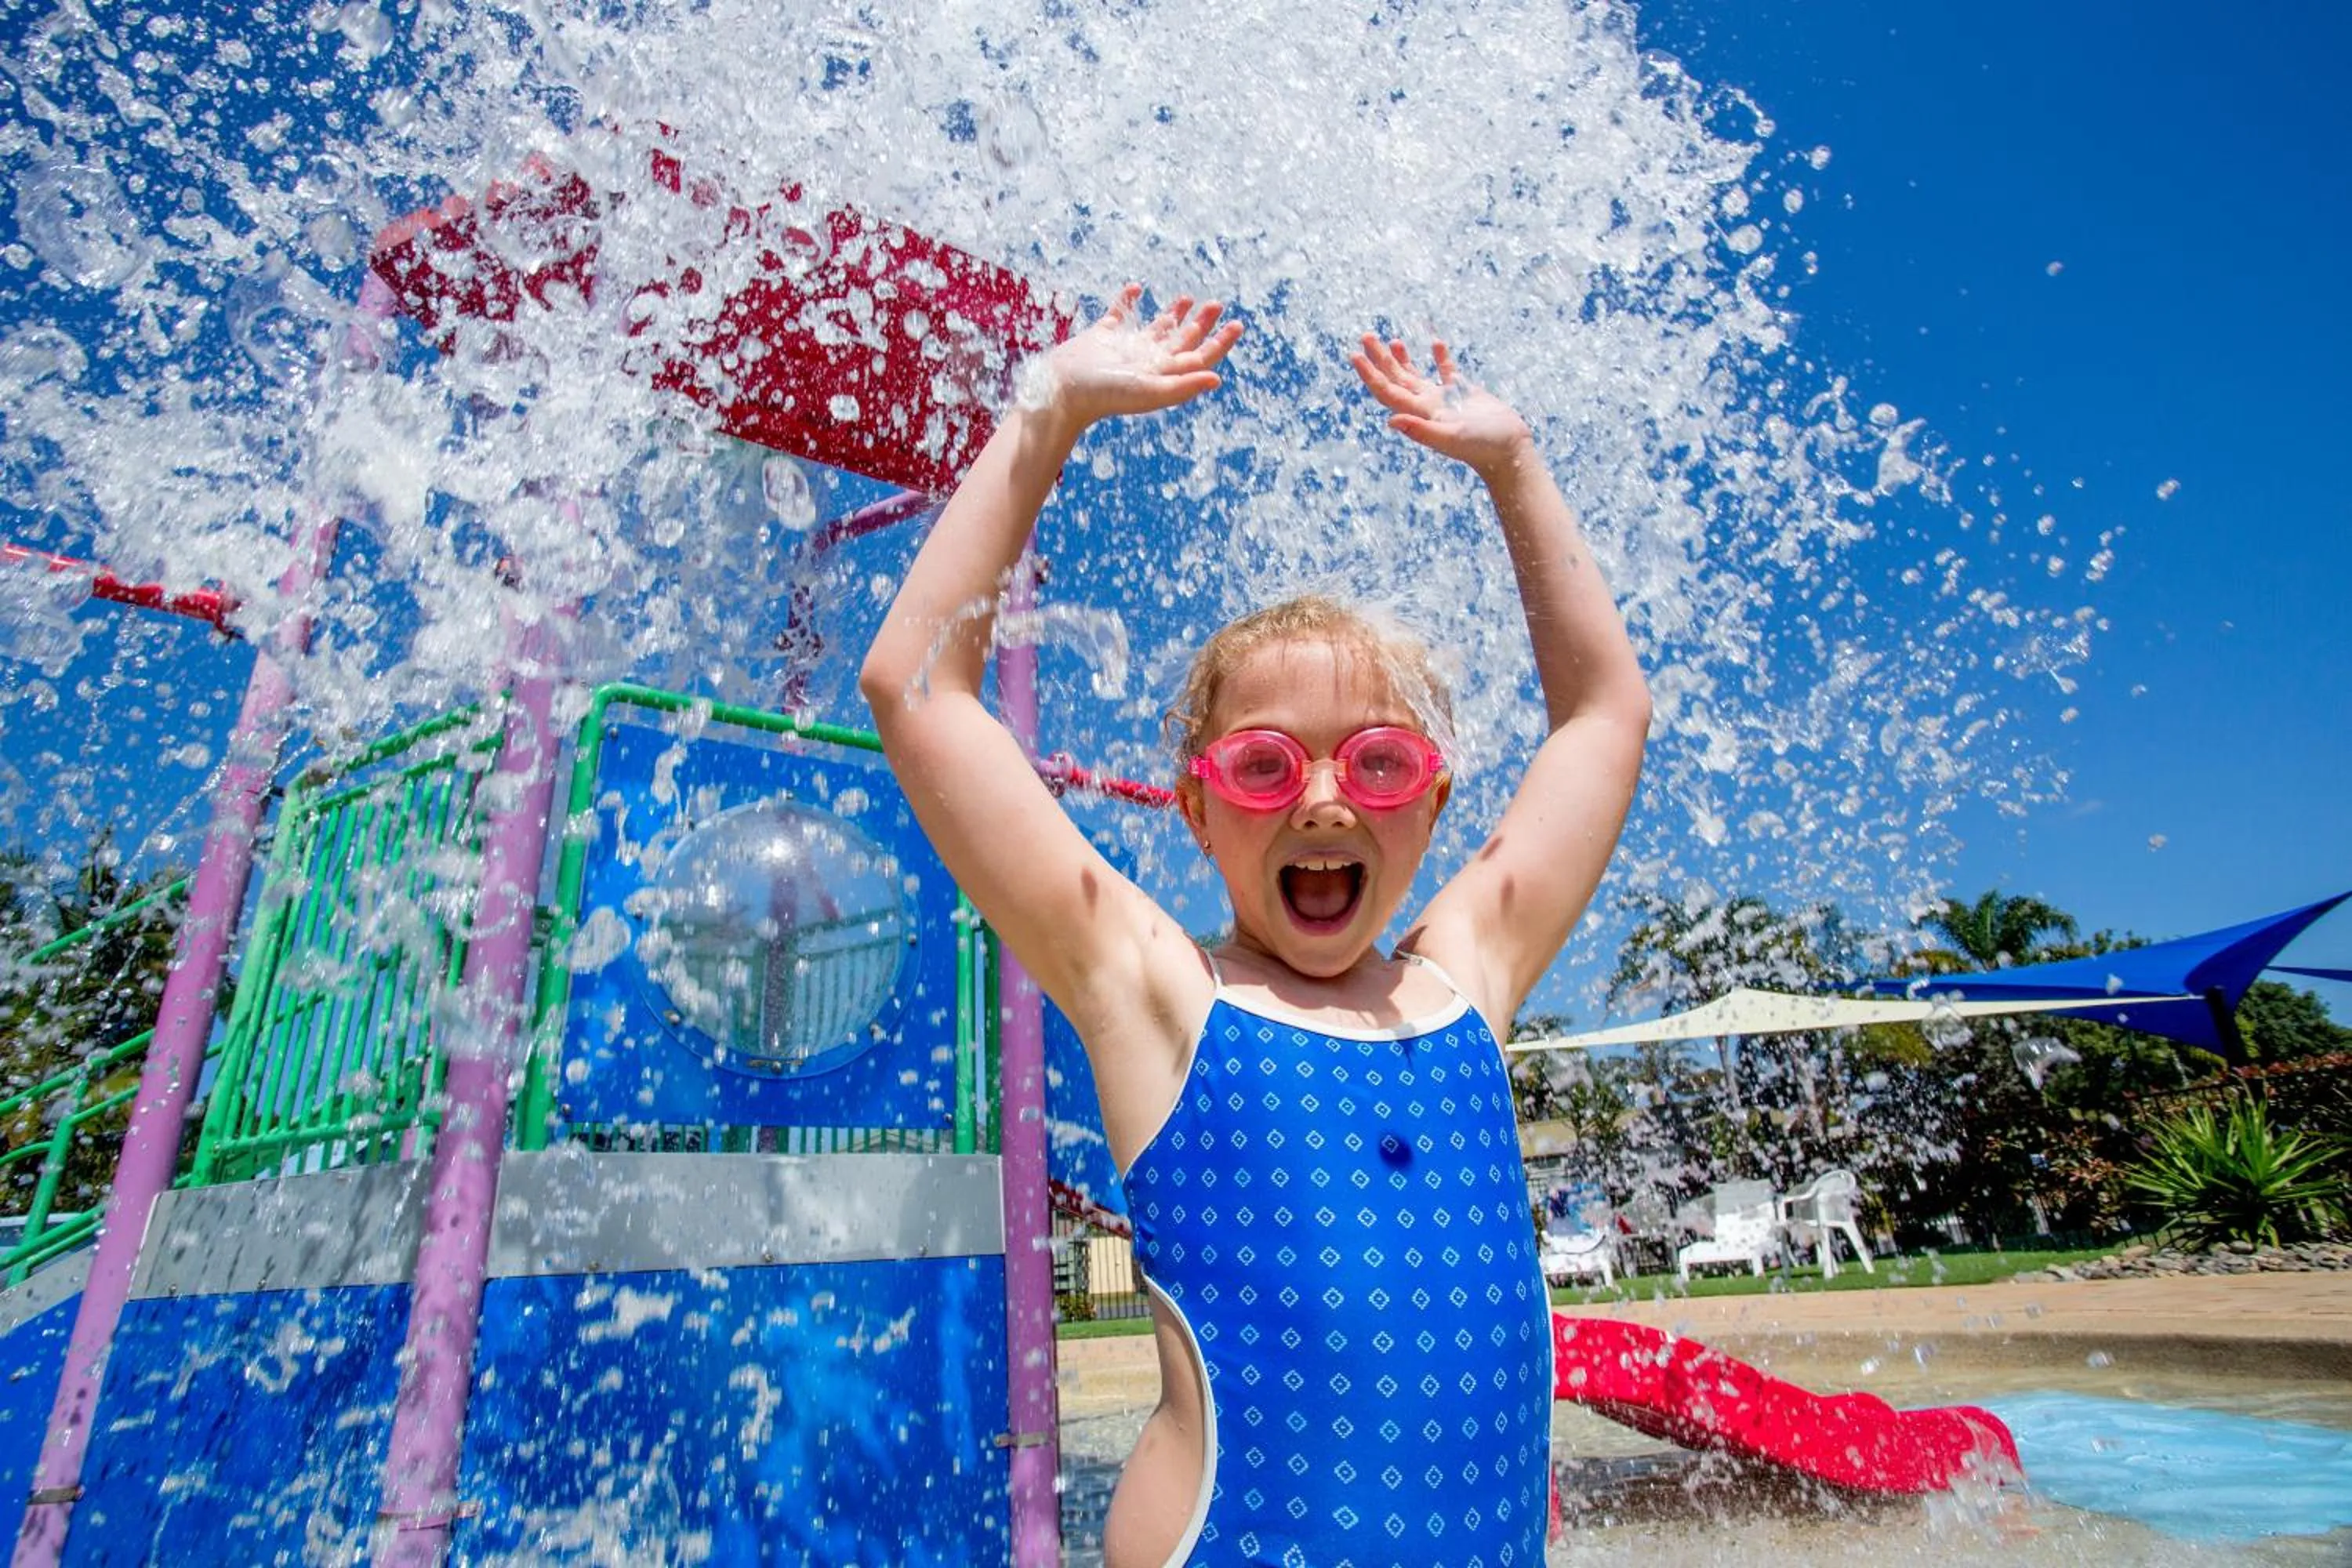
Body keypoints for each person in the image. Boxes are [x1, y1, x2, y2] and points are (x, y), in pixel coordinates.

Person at [860, 285, 1649, 1567]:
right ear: (1198, 813)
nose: (1327, 799)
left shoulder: (1463, 982)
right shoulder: (1164, 999)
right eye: (1268, 768)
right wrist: (1046, 413)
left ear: (1432, 800)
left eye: (1378, 766)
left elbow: (1604, 715)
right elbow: (916, 686)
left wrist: (1513, 465)